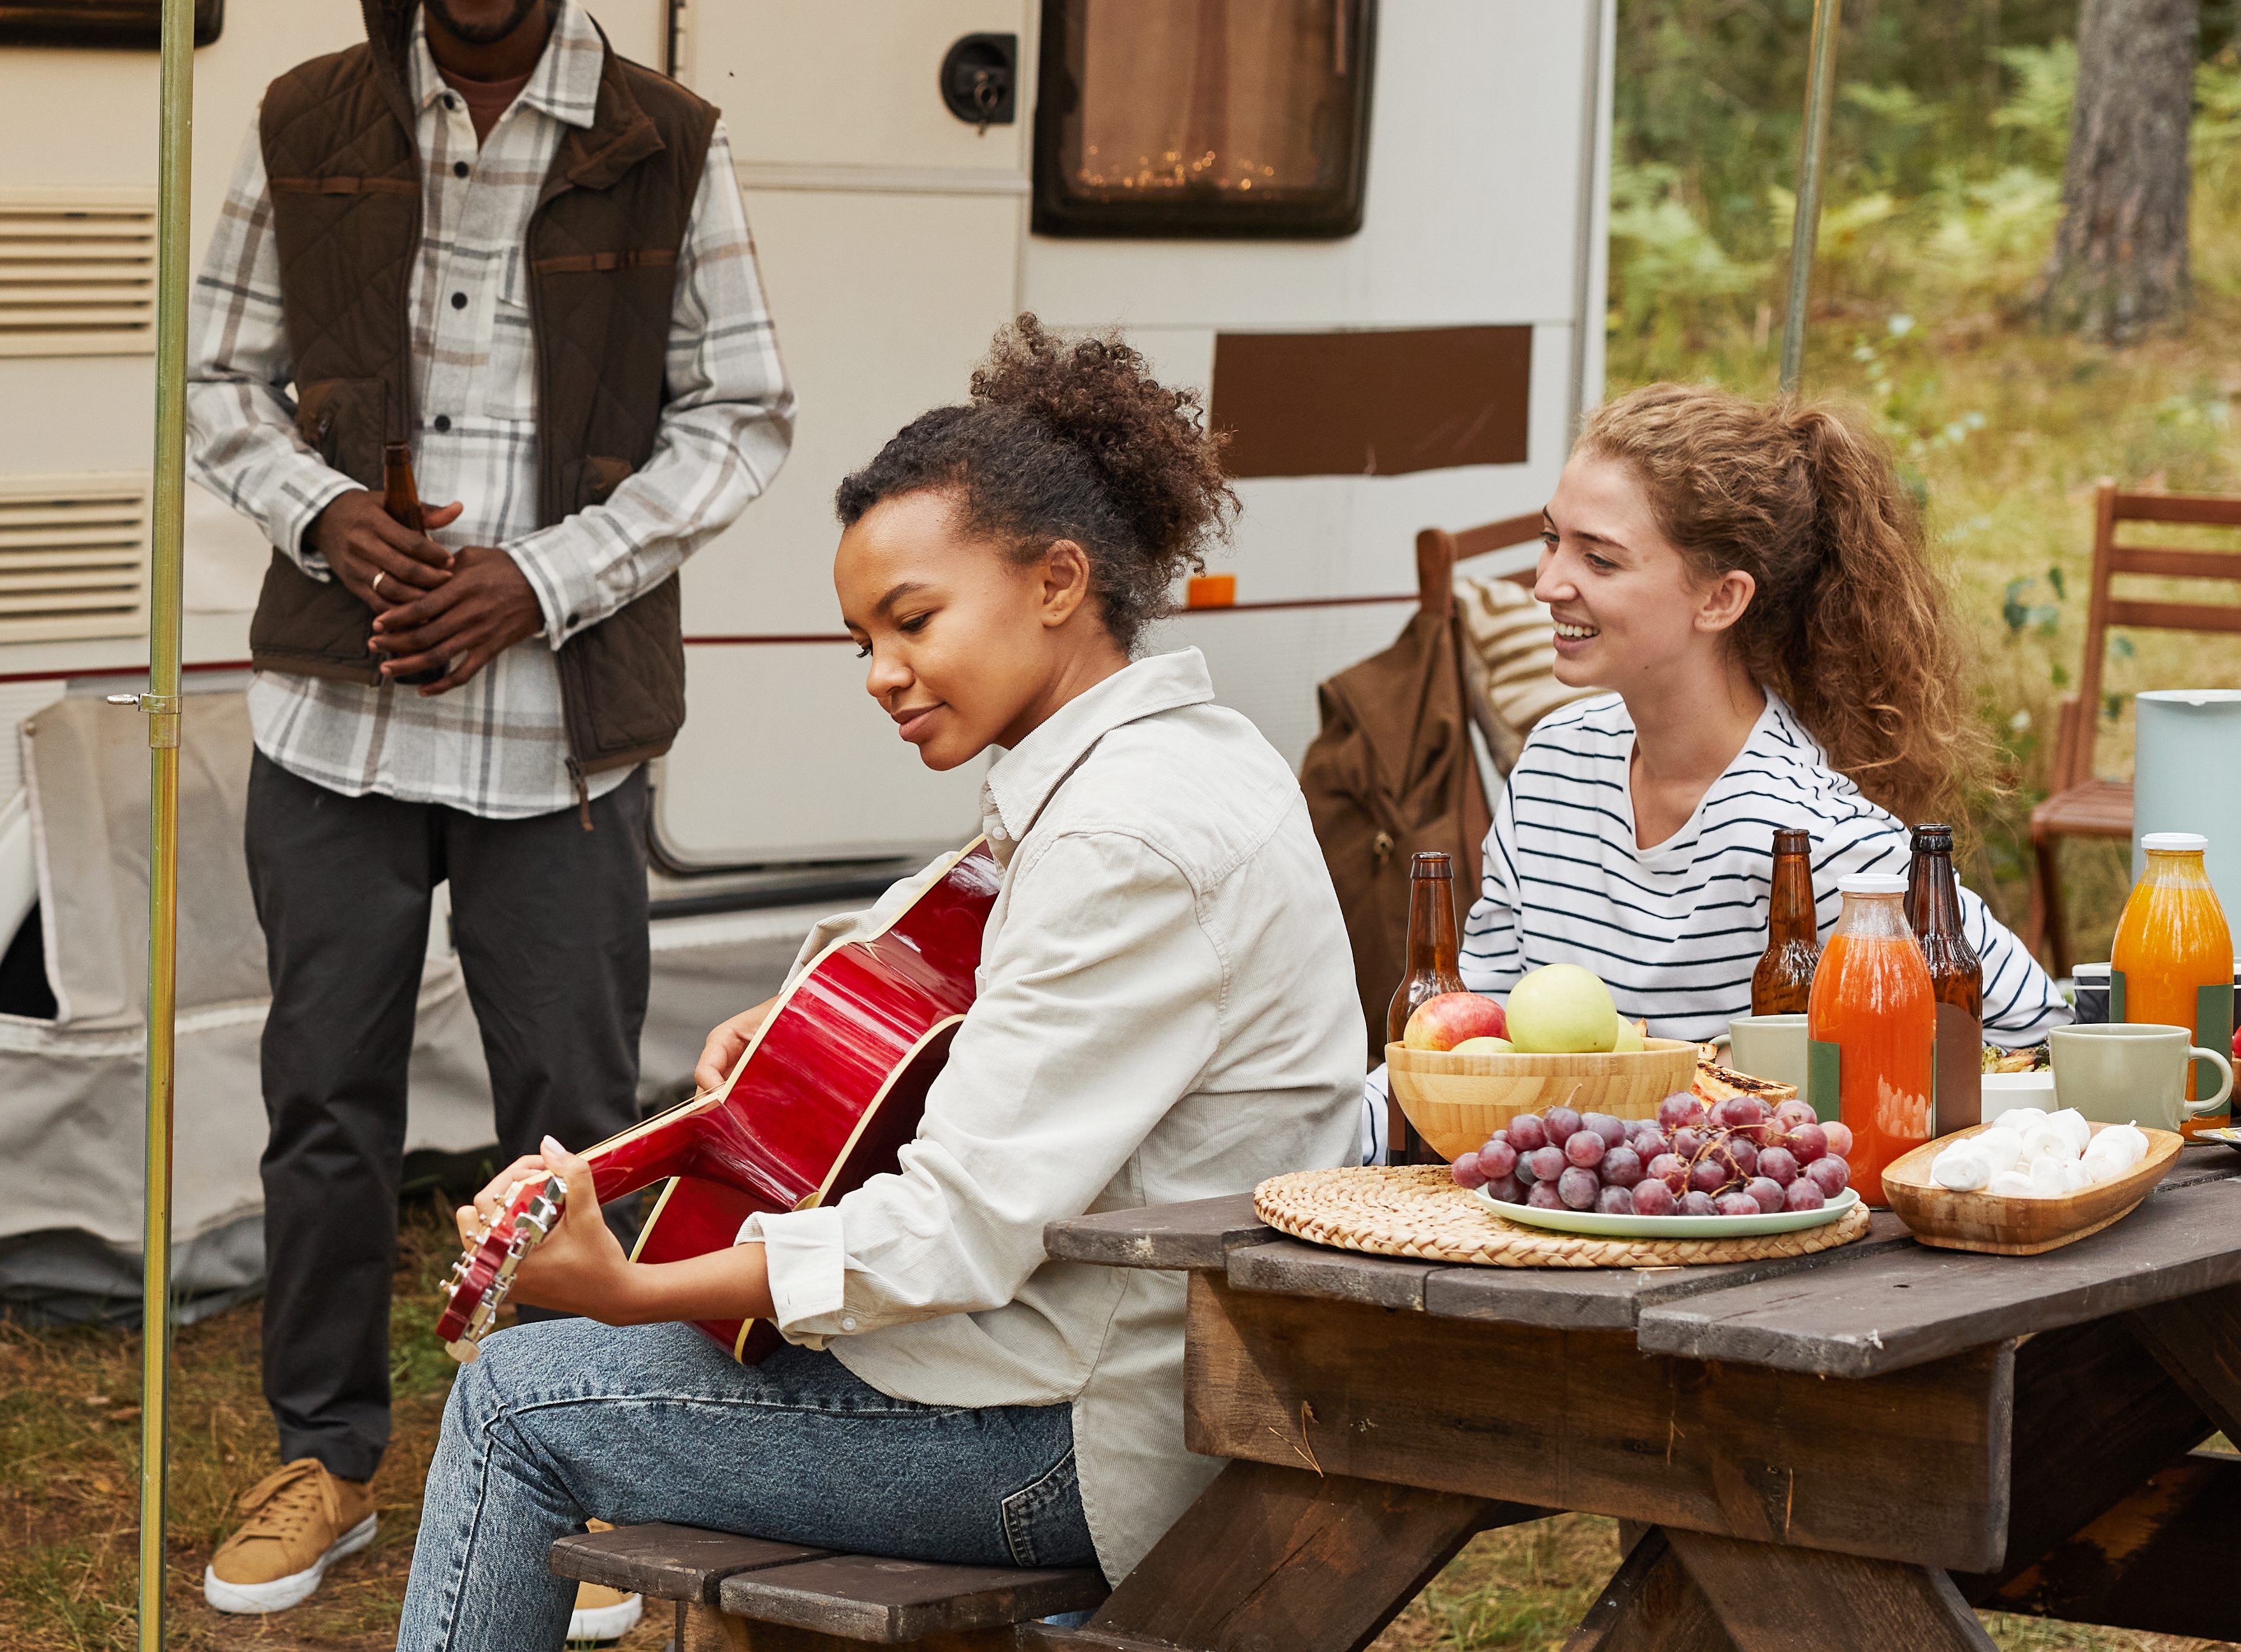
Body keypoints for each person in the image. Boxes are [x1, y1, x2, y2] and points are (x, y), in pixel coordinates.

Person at [391, 320, 1367, 1651]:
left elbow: (956, 1230)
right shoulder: (1173, 752)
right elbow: (958, 945)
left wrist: (628, 1290)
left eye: (913, 621)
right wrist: (799, 1022)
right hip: (1105, 1368)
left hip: (1085, 1431)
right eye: (861, 638)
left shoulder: (1124, 832)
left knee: (514, 1398)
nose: (880, 672)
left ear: (1057, 580)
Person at [186, 0, 795, 1620]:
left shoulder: (662, 135)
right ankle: (325, 1457)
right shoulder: (300, 118)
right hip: (340, 722)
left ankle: (575, 1447)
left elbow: (739, 419)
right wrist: (324, 525)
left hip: (559, 726)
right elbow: (214, 386)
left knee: (566, 1109)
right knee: (323, 1105)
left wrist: (534, 577)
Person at [1455, 382, 2063, 1042]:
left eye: (1599, 558)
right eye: (1552, 539)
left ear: (1720, 599)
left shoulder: (1802, 830)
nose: (1546, 584)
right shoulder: (1555, 762)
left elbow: (2036, 1028)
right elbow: (1476, 1044)